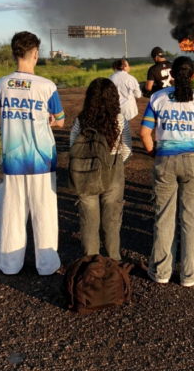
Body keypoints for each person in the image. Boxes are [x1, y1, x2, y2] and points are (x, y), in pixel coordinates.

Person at [140, 56, 194, 287]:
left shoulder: (157, 98)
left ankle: (161, 271)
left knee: (164, 217)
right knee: (192, 220)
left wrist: (154, 153)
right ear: (193, 76)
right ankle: (190, 274)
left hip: (165, 160)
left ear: (171, 75)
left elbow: (144, 133)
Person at [0, 31, 65, 275]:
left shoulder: (1, 84)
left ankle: (9, 265)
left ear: (14, 53)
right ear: (35, 53)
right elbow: (60, 121)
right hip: (41, 160)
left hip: (12, 159)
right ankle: (46, 265)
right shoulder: (47, 86)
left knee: (12, 212)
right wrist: (49, 119)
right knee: (44, 213)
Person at [69, 78, 132, 261]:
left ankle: (91, 263)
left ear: (90, 97)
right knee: (112, 220)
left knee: (88, 221)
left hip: (86, 171)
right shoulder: (119, 119)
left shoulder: (81, 120)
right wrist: (117, 163)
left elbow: (73, 146)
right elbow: (127, 148)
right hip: (113, 168)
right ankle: (114, 261)